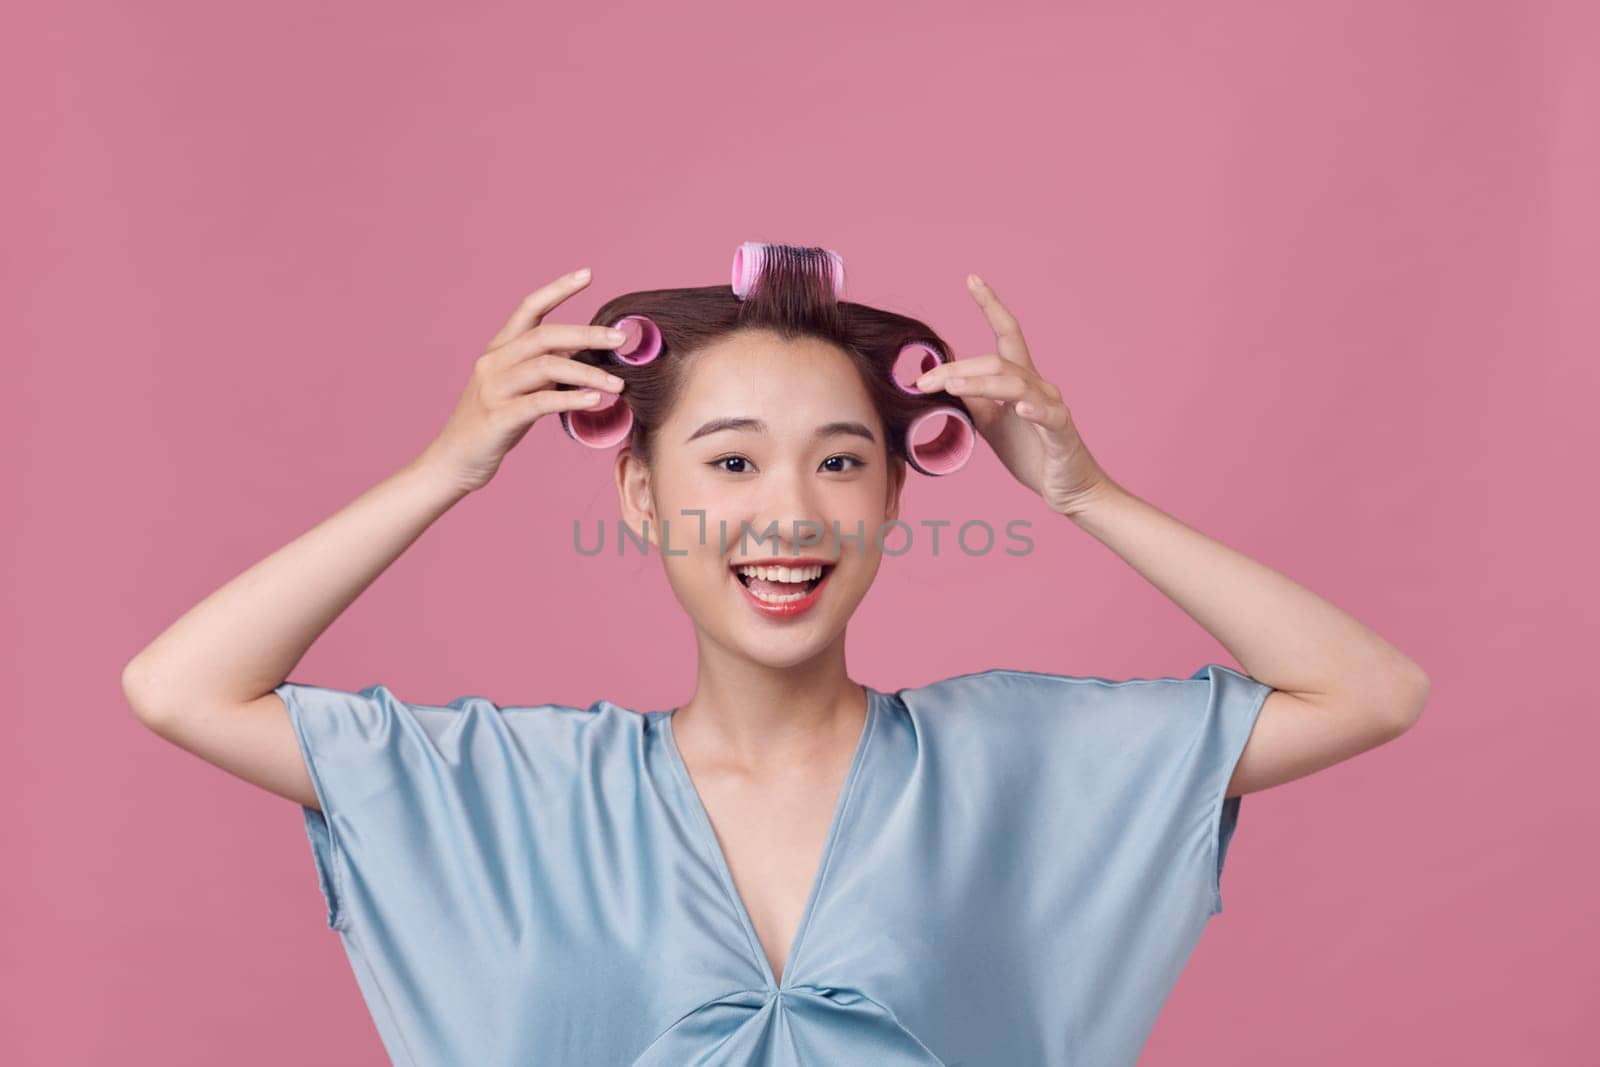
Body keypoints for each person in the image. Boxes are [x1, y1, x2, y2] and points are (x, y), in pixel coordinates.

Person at [122, 243, 1429, 1066]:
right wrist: (445, 468)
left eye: (840, 462)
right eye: (732, 462)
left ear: (894, 500)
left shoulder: (1029, 767)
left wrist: (1088, 494)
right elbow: (179, 688)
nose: (790, 512)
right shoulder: (511, 791)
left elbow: (1373, 691)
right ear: (642, 496)